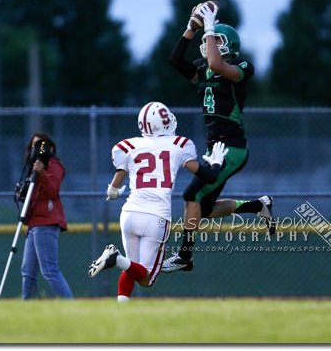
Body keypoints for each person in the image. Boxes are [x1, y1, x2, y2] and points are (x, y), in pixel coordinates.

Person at [162, 2, 275, 273]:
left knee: (192, 195)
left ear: (231, 43)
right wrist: (191, 28)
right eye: (209, 39)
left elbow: (216, 62)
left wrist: (210, 25)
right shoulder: (203, 68)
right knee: (204, 208)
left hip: (232, 147)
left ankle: (184, 256)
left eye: (215, 39)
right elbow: (175, 61)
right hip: (215, 147)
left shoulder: (241, 65)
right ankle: (258, 205)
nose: (208, 43)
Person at [87, 102, 228, 302]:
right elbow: (210, 177)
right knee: (147, 279)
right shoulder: (179, 145)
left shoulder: (129, 146)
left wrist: (113, 192)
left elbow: (116, 181)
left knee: (132, 266)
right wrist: (216, 163)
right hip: (156, 216)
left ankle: (121, 309)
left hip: (129, 214)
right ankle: (114, 258)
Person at [20, 132, 73, 299]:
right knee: (28, 272)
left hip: (46, 222)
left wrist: (42, 174)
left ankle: (70, 304)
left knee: (49, 270)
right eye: (35, 145)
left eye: (42, 145)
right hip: (34, 223)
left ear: (50, 148)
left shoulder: (53, 165)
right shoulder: (32, 170)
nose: (38, 149)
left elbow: (52, 191)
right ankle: (27, 308)